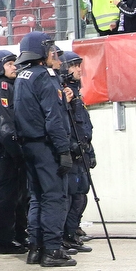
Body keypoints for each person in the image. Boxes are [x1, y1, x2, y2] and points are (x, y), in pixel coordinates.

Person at [13, 32, 76, 268]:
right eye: (51, 51)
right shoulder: (45, 76)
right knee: (54, 197)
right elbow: (54, 117)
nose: (54, 55)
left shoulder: (22, 76)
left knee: (37, 198)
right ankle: (52, 250)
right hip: (46, 145)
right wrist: (63, 149)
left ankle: (35, 248)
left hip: (28, 145)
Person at [0, 50, 30, 254]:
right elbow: (4, 124)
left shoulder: (13, 85)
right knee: (7, 196)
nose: (14, 67)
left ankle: (19, 235)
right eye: (10, 63)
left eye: (15, 63)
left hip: (16, 148)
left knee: (20, 195)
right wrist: (17, 151)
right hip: (6, 151)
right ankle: (4, 240)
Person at [59, 51, 95, 254]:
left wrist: (91, 150)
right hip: (72, 151)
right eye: (74, 65)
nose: (78, 69)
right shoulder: (65, 93)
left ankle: (73, 231)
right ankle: (67, 235)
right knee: (72, 195)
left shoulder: (76, 93)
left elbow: (84, 125)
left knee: (81, 194)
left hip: (82, 149)